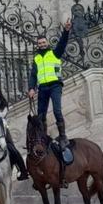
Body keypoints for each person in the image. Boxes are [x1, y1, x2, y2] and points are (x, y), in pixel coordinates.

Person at [28, 19, 72, 150]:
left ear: (47, 42)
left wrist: (66, 31)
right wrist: (31, 88)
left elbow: (62, 43)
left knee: (57, 111)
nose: (41, 44)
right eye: (39, 43)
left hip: (55, 86)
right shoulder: (36, 58)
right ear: (37, 44)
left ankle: (63, 136)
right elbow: (33, 74)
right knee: (41, 115)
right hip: (42, 88)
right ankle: (43, 137)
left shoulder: (54, 53)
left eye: (43, 42)